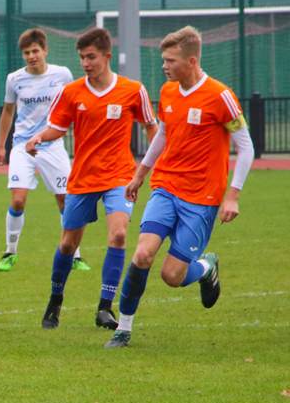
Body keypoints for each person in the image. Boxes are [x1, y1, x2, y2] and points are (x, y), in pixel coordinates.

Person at [105, 26, 254, 348]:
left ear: (192, 60)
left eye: (170, 60)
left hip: (203, 198)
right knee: (143, 253)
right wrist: (140, 173)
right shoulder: (170, 92)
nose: (164, 66)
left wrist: (233, 195)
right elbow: (163, 134)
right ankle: (124, 328)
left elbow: (247, 147)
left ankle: (204, 267)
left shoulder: (220, 96)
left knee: (171, 276)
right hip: (166, 186)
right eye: (163, 60)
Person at [25, 27, 157, 330]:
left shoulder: (133, 90)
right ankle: (55, 300)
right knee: (68, 245)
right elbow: (58, 127)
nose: (86, 63)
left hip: (120, 176)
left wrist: (152, 163)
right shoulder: (71, 92)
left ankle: (104, 307)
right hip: (83, 178)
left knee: (120, 235)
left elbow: (152, 127)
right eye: (82, 57)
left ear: (107, 56)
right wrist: (39, 138)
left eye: (91, 57)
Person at [0, 28, 90, 273]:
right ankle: (10, 252)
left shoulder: (62, 75)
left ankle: (75, 254)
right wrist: (0, 146)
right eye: (26, 52)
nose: (31, 56)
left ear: (45, 50)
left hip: (52, 146)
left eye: (35, 51)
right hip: (22, 146)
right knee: (18, 199)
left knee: (65, 201)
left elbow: (75, 104)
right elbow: (8, 111)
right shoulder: (14, 79)